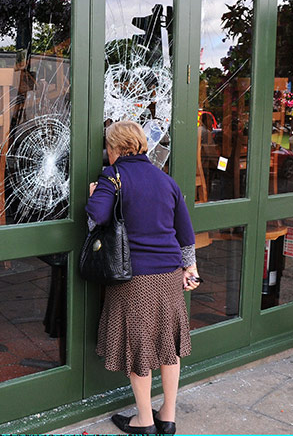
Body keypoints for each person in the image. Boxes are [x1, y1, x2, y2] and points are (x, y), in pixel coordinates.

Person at [85, 121, 201, 435]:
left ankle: (144, 421)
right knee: (168, 347)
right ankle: (168, 415)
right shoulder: (166, 181)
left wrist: (95, 192)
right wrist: (190, 269)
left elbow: (96, 216)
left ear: (116, 149)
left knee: (139, 350)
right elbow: (186, 234)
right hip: (169, 276)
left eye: (108, 148)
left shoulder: (113, 176)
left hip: (133, 278)